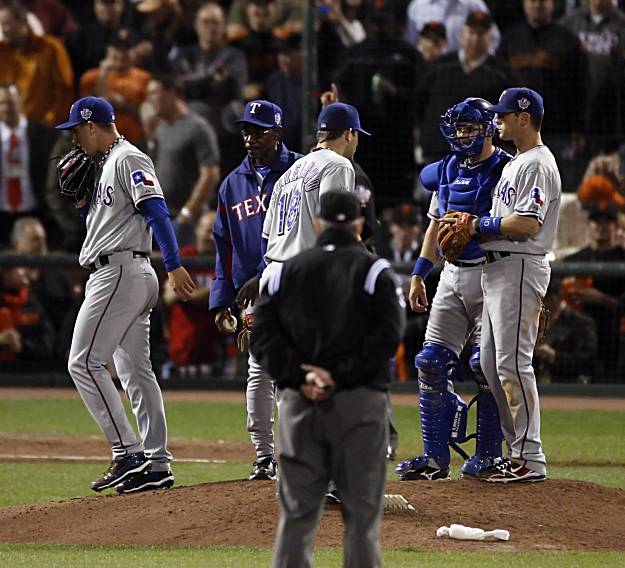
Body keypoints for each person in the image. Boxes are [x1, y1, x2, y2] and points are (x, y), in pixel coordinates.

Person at [250, 190, 405, 568]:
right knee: (362, 521)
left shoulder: (282, 271)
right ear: (358, 225)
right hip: (359, 404)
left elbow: (261, 337)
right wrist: (337, 376)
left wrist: (299, 376)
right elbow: (387, 337)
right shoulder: (375, 271)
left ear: (317, 224)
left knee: (297, 518)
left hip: (300, 403)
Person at [55, 96, 196, 494]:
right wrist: (82, 205)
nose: (75, 141)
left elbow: (157, 210)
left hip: (120, 273)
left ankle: (127, 452)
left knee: (83, 363)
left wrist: (174, 262)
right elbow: (107, 221)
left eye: (76, 132)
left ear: (92, 126)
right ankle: (157, 463)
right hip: (123, 271)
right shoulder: (107, 165)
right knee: (136, 372)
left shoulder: (127, 158)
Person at [395, 98, 510, 481]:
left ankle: (489, 456)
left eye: (470, 127)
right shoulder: (445, 170)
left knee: (484, 365)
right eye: (459, 128)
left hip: (493, 273)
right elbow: (434, 226)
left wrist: (479, 225)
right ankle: (434, 458)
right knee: (428, 361)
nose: (463, 135)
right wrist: (418, 274)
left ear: (489, 128)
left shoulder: (506, 170)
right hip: (451, 275)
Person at [461, 87, 561, 482]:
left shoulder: (536, 163)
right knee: (489, 362)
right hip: (499, 267)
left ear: (524, 118)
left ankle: (529, 458)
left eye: (504, 115)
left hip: (520, 265)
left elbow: (527, 223)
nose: (498, 120)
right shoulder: (518, 162)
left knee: (512, 364)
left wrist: (479, 225)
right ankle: (517, 450)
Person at [209, 100, 301, 480]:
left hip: (295, 284)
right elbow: (222, 245)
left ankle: (298, 454)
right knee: (260, 371)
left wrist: (265, 275)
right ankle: (265, 456)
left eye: (259, 131)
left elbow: (300, 232)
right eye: (246, 131)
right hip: (252, 295)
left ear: (277, 133)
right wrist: (220, 300)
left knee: (294, 372)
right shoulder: (232, 184)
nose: (250, 138)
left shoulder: (299, 171)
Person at [145, 75, 221, 245]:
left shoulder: (198, 127)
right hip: (162, 217)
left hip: (186, 221)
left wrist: (187, 213)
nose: (150, 99)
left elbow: (210, 174)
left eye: (154, 93)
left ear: (171, 93)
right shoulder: (161, 129)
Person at [163, 211, 227, 369]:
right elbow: (169, 297)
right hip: (181, 347)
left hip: (214, 351)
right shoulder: (182, 257)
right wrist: (206, 292)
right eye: (208, 231)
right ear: (197, 229)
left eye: (216, 232)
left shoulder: (226, 260)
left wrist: (184, 293)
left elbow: (221, 294)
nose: (212, 237)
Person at [0, 83, 58, 247]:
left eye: (10, 103)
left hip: (36, 210)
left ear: (21, 102)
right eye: (2, 103)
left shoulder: (45, 135)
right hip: (2, 213)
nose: (6, 108)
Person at [0, 1, 73, 127]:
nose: (4, 30)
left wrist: (50, 123)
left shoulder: (50, 48)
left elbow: (64, 89)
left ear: (22, 22)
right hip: (8, 131)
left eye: (7, 24)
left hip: (43, 130)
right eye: (2, 25)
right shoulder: (2, 53)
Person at [533, 276, 598, 384]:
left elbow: (587, 361)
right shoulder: (533, 321)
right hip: (536, 384)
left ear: (559, 296)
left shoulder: (582, 323)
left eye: (548, 298)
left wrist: (554, 356)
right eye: (541, 299)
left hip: (569, 386)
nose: (545, 303)